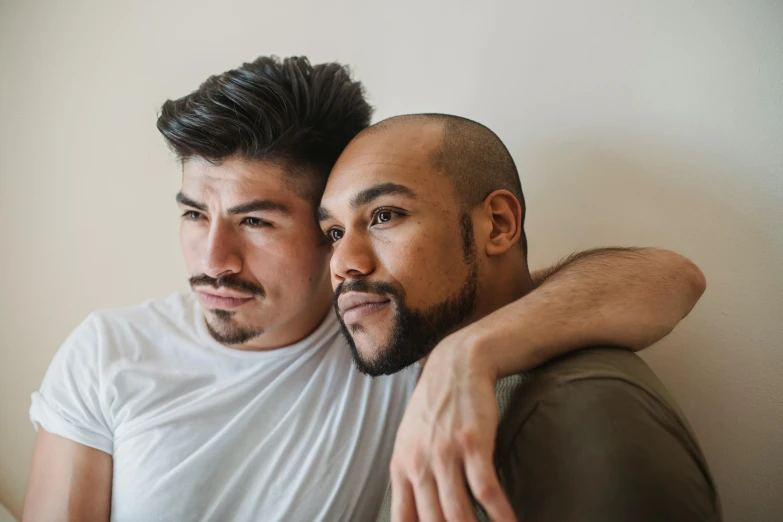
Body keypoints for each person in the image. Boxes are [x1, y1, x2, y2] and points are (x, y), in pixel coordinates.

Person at [23, 57, 706, 522]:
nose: (214, 259)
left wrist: (465, 358)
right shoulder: (108, 351)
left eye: (255, 221)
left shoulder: (389, 332)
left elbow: (667, 278)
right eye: (194, 214)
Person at [319, 113, 720, 521]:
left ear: (498, 224)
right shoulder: (425, 356)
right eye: (334, 233)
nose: (343, 264)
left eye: (384, 215)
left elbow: (677, 276)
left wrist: (463, 353)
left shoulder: (581, 410)